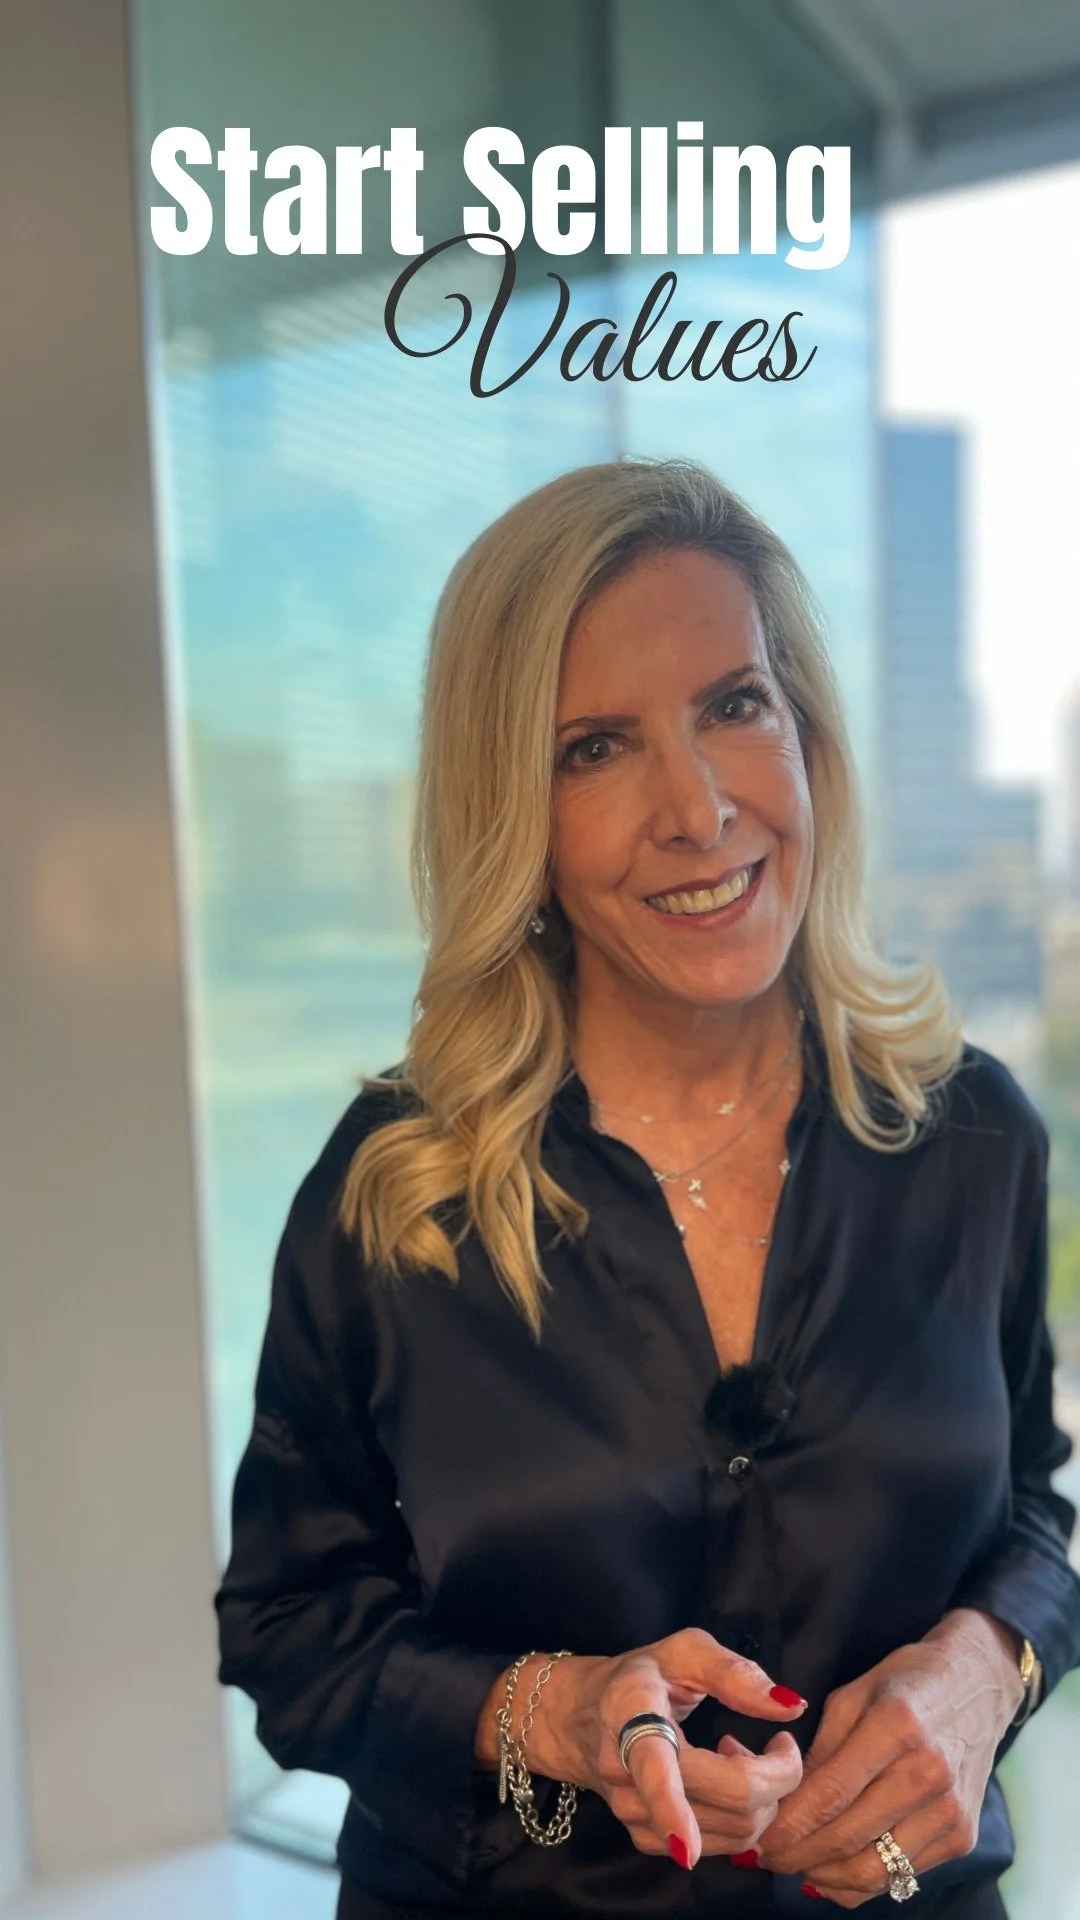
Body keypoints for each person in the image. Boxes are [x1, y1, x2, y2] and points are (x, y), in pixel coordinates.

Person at [214, 459, 1080, 1919]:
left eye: (734, 706)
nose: (697, 807)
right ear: (515, 813)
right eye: (597, 748)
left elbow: (1036, 1514)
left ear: (806, 736)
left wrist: (987, 1664)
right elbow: (289, 1627)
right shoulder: (393, 1192)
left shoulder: (973, 1133)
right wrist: (547, 1714)